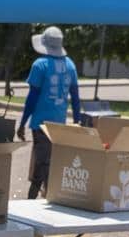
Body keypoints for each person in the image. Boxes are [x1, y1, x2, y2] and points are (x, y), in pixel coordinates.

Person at [16, 26, 85, 199]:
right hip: (58, 125)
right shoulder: (70, 65)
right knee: (46, 163)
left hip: (40, 124)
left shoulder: (40, 65)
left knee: (43, 164)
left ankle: (40, 200)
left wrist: (22, 123)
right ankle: (37, 198)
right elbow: (76, 98)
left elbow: (32, 98)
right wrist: (77, 121)